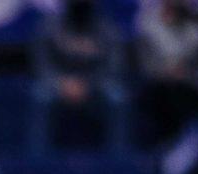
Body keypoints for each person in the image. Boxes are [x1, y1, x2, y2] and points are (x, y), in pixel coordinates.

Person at [33, 0, 130, 155]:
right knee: (40, 97)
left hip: (95, 84)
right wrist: (61, 83)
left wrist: (88, 84)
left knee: (117, 97)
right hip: (60, 83)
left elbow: (113, 65)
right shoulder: (51, 25)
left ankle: (117, 158)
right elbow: (42, 63)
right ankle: (37, 159)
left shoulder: (105, 26)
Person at [134, 0, 198, 137]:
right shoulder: (147, 21)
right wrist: (164, 70)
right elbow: (145, 62)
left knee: (185, 97)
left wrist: (179, 68)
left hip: (191, 83)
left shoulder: (194, 20)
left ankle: (189, 139)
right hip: (157, 83)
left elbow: (197, 50)